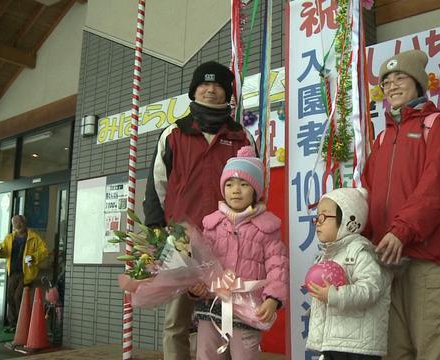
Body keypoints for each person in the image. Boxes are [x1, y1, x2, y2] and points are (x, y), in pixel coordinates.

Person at [143, 61, 256, 360]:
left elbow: (255, 190)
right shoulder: (173, 134)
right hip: (181, 243)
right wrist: (157, 234)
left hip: (228, 242)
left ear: (227, 93)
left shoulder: (242, 137)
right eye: (204, 85)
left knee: (228, 317)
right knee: (176, 323)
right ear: (194, 90)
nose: (210, 90)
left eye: (218, 85)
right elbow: (156, 187)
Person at [361, 49, 440, 359]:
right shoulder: (381, 139)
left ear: (419, 84)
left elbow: (435, 188)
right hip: (387, 262)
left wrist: (402, 230)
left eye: (400, 78)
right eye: (386, 81)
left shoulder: (439, 126)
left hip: (428, 259)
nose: (391, 85)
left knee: (433, 350)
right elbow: (368, 194)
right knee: (395, 351)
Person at [188, 146, 289, 359]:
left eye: (244, 184)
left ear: (255, 190)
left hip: (247, 307)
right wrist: (195, 285)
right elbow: (200, 261)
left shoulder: (267, 227)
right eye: (230, 184)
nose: (236, 190)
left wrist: (272, 298)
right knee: (207, 354)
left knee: (245, 354)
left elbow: (277, 265)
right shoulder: (212, 224)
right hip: (212, 304)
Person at [305, 187, 392, 360]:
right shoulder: (326, 255)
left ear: (347, 220)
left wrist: (334, 296)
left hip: (358, 348)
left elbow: (371, 289)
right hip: (333, 343)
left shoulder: (360, 253)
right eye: (317, 217)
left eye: (324, 216)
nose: (318, 222)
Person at [0, 215, 48, 333]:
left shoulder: (34, 237)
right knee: (10, 297)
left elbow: (44, 252)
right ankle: (13, 324)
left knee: (18, 297)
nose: (18, 225)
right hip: (13, 272)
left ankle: (21, 324)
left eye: (20, 222)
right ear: (13, 225)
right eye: (15, 223)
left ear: (24, 222)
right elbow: (3, 251)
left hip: (26, 273)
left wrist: (33, 257)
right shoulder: (9, 238)